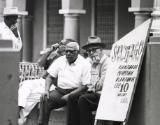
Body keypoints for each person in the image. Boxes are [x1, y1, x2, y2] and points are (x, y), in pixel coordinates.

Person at [18, 39, 73, 125]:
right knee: (26, 84)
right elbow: (40, 63)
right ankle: (19, 107)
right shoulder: (54, 56)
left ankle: (20, 116)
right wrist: (50, 50)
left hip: (52, 85)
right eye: (59, 43)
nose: (59, 45)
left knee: (33, 94)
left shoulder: (70, 59)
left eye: (62, 44)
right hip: (42, 80)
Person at [40, 42, 91, 125]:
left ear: (77, 52)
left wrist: (71, 95)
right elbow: (49, 77)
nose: (68, 53)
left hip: (76, 92)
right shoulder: (60, 60)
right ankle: (42, 124)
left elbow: (86, 85)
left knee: (73, 103)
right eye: (67, 51)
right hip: (60, 92)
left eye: (71, 51)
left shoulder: (85, 64)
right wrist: (46, 90)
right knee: (45, 99)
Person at [67, 36, 109, 125]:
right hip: (92, 92)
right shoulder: (89, 61)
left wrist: (94, 67)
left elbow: (99, 86)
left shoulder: (107, 62)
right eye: (89, 51)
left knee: (83, 99)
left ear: (101, 49)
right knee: (72, 97)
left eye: (94, 50)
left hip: (103, 95)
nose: (91, 53)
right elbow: (81, 78)